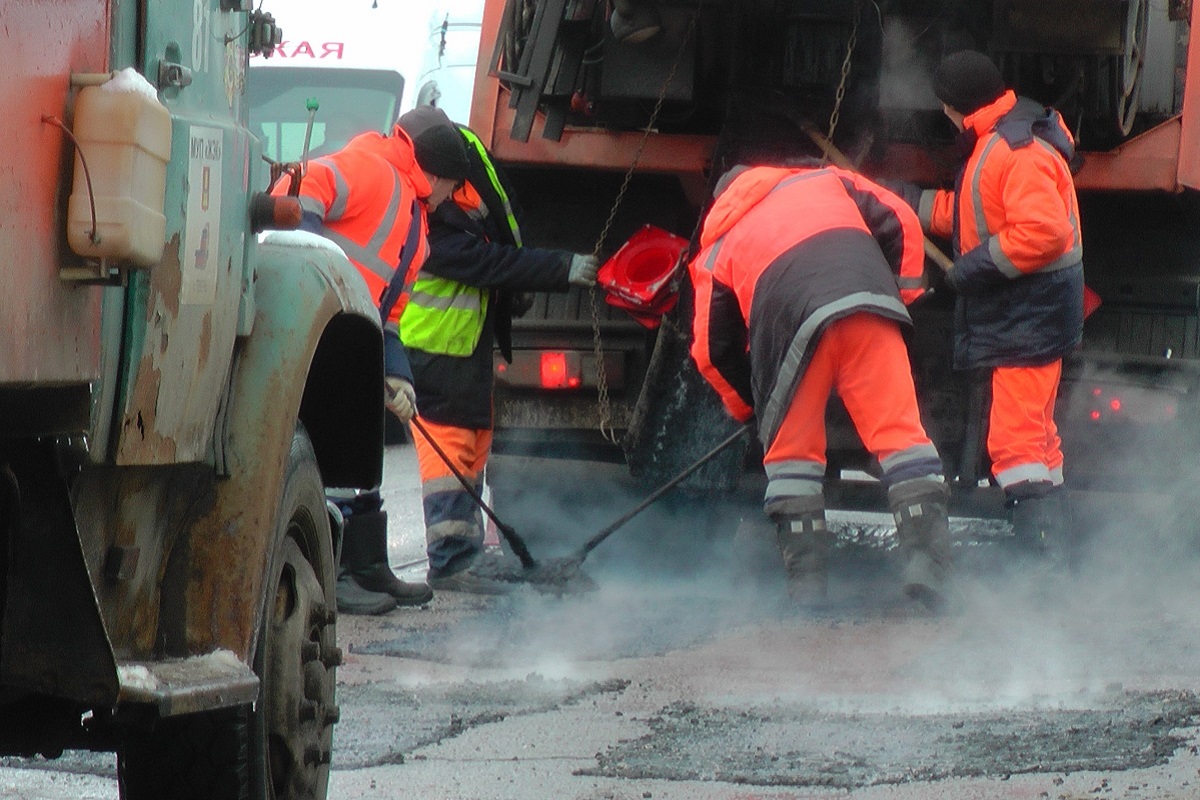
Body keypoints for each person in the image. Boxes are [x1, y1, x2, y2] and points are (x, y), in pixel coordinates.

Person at [689, 161, 951, 609]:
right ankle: (926, 564)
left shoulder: (715, 250)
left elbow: (710, 351)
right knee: (903, 440)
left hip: (790, 332)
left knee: (791, 462)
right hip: (868, 306)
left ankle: (807, 590)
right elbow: (902, 219)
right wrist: (899, 295)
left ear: (721, 204)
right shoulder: (825, 180)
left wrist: (750, 407)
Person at [395, 106, 599, 595]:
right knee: (448, 455)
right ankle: (449, 563)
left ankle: (464, 555)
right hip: (431, 351)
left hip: (461, 346)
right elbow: (486, 262)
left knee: (471, 445)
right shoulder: (422, 222)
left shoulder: (453, 181)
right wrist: (560, 268)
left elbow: (498, 232)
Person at [273, 115, 473, 614]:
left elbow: (391, 315)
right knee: (331, 454)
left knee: (360, 451)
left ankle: (367, 566)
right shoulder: (373, 168)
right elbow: (296, 188)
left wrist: (397, 372)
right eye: (454, 186)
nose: (452, 197)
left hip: (353, 339)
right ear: (439, 172)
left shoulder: (416, 223)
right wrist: (316, 265)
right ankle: (332, 578)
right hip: (320, 329)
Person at [896, 50, 1084, 558]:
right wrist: (912, 204)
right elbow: (983, 212)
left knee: (1016, 445)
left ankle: (1040, 568)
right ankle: (1056, 553)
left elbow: (1044, 232)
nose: (944, 116)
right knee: (1039, 442)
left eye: (943, 106)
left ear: (956, 105)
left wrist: (970, 270)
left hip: (1029, 317)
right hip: (1032, 316)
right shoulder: (999, 139)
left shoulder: (1015, 150)